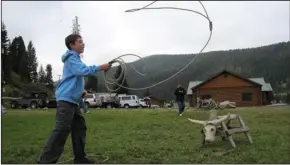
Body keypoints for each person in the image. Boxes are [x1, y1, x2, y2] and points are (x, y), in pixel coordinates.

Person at [37, 34, 111, 164]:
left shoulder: (75, 59)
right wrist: (100, 67)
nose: (83, 44)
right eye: (80, 42)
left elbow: (74, 78)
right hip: (66, 101)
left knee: (79, 127)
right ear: (72, 45)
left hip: (73, 101)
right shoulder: (72, 58)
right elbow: (82, 71)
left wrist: (80, 91)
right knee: (61, 130)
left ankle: (80, 159)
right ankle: (45, 162)